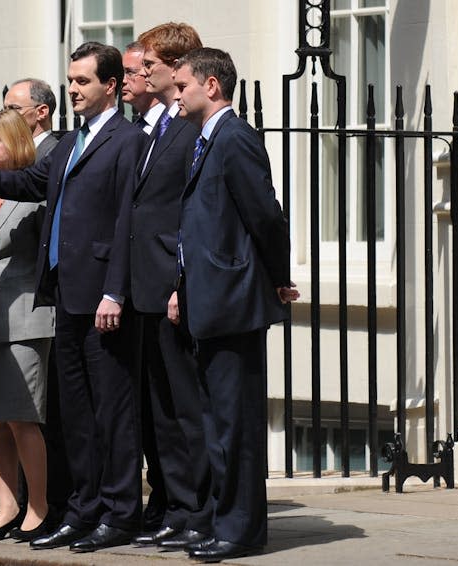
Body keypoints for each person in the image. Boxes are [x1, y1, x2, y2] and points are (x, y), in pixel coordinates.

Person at [0, 42, 147, 553]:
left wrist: (115, 291)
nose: (74, 89)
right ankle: (82, 510)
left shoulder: (127, 141)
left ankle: (119, 513)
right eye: (71, 80)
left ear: (111, 86)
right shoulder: (72, 142)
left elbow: (128, 222)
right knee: (75, 416)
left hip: (103, 298)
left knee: (112, 412)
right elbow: (33, 181)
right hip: (66, 296)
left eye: (82, 81)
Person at [169, 47, 299, 562]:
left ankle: (241, 530)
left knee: (236, 423)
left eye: (182, 86)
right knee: (215, 424)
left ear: (212, 87)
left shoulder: (235, 137)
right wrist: (182, 286)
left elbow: (265, 216)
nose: (176, 95)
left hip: (234, 301)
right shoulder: (205, 140)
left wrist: (279, 276)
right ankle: (223, 521)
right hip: (208, 300)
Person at [127, 22, 213, 551]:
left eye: (150, 62)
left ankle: (198, 510)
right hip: (145, 287)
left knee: (186, 409)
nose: (141, 68)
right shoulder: (157, 127)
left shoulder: (187, 127)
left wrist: (180, 281)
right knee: (161, 410)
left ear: (175, 64)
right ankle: (176, 506)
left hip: (172, 287)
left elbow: (188, 213)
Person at [0, 78, 71, 532]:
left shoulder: (34, 195)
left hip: (27, 318)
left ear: (14, 142)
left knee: (23, 419)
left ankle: (39, 507)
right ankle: (6, 506)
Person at [121, 39, 167, 535]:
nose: (135, 79)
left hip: (161, 287)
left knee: (168, 406)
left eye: (140, 70)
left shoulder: (174, 131)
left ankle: (176, 501)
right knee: (145, 405)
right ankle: (158, 498)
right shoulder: (136, 132)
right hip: (131, 288)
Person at [122, 41, 165, 134]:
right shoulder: (135, 128)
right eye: (122, 73)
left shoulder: (170, 123)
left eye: (130, 72)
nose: (123, 80)